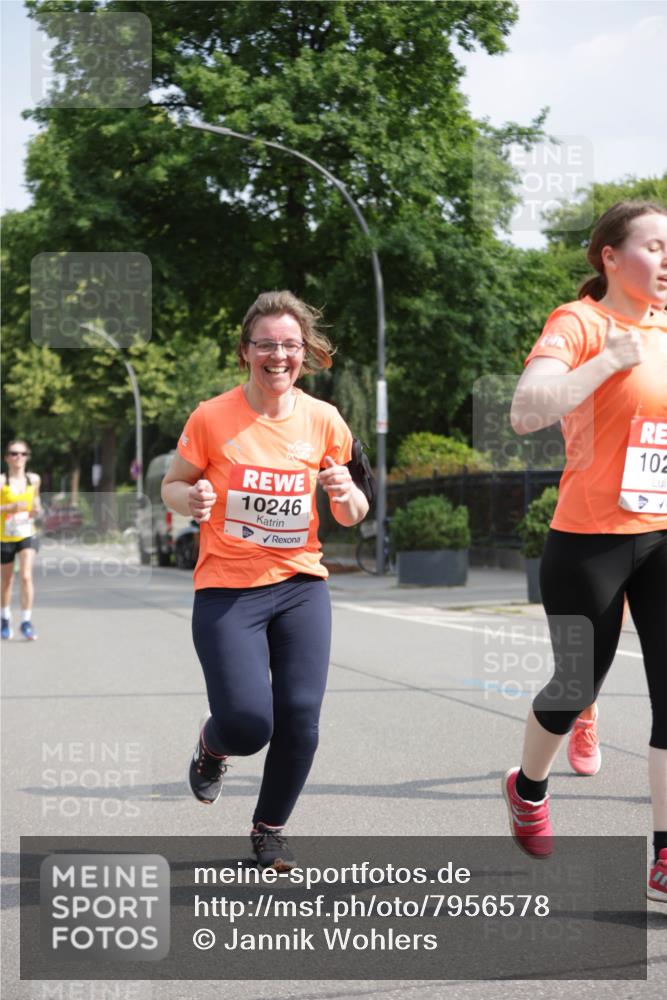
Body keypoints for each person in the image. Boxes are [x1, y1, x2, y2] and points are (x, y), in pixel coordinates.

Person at [162, 291, 369, 870]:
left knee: (301, 716)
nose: (278, 356)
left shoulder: (325, 420)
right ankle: (213, 746)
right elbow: (173, 484)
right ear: (245, 352)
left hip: (301, 583)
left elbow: (354, 512)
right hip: (227, 588)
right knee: (251, 724)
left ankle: (269, 830)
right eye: (266, 345)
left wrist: (346, 494)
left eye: (290, 345)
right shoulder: (212, 416)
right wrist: (192, 497)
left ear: (304, 352)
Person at [502, 201, 667, 904]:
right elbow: (526, 410)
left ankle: (663, 858)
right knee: (574, 689)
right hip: (588, 540)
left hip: (663, 535)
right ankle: (527, 785)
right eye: (655, 247)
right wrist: (603, 361)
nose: (666, 261)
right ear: (609, 256)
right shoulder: (579, 323)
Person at [1, 440, 41, 640]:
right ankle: (5, 619)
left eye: (23, 454)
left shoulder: (33, 479)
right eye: (14, 453)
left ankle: (26, 622)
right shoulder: (1, 481)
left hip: (27, 532)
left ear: (27, 457)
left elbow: (36, 502)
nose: (19, 457)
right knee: (7, 580)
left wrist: (36, 509)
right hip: (5, 535)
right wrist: (8, 508)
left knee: (26, 576)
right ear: (6, 457)